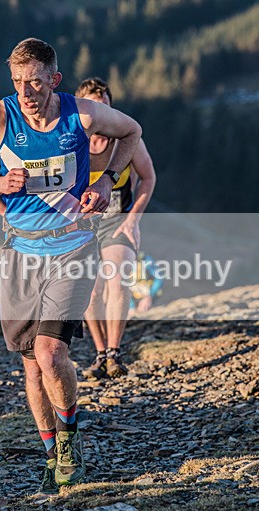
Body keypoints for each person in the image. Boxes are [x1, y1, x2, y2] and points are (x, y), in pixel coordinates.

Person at [0, 38, 142, 494]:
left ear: (54, 81)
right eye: (19, 82)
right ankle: (50, 452)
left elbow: (132, 132)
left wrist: (104, 181)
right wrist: (0, 182)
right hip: (21, 252)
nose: (27, 92)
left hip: (73, 247)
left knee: (50, 354)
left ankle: (69, 440)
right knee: (30, 367)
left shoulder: (80, 113)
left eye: (36, 82)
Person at [75, 77, 157, 381]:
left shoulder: (125, 139)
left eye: (105, 107)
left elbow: (148, 178)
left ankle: (114, 352)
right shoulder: (72, 142)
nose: (101, 114)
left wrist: (133, 219)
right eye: (93, 107)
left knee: (117, 280)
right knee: (90, 290)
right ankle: (99, 353)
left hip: (116, 220)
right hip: (82, 226)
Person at [127, 251, 164, 319]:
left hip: (147, 293)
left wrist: (149, 296)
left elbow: (159, 278)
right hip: (131, 296)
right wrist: (131, 306)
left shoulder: (145, 260)